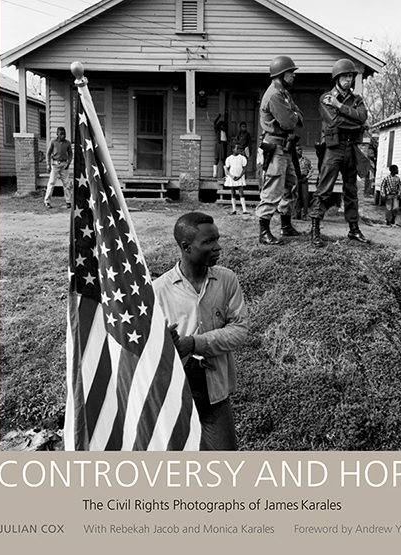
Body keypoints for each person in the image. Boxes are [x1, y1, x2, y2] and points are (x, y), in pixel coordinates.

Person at [153, 212, 248, 451]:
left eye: (217, 239)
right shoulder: (159, 291)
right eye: (208, 242)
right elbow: (147, 347)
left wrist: (193, 343)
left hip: (215, 392)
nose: (218, 247)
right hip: (175, 392)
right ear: (186, 247)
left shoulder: (227, 280)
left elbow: (239, 330)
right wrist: (166, 343)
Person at [309, 59, 370, 247]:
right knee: (324, 189)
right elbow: (336, 122)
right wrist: (356, 123)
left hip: (351, 149)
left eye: (351, 76)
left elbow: (362, 117)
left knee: (351, 190)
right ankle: (315, 229)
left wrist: (340, 106)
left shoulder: (357, 99)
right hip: (333, 149)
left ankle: (353, 229)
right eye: (344, 76)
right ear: (337, 77)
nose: (348, 79)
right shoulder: (326, 98)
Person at [256, 55, 304, 245]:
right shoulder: (275, 95)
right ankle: (264, 231)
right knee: (273, 188)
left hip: (286, 147)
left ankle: (286, 226)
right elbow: (290, 121)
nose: (293, 76)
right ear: (280, 74)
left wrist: (293, 114)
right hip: (276, 147)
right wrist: (293, 115)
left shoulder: (283, 93)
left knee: (291, 184)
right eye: (290, 73)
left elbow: (299, 115)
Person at [44, 126, 73, 209]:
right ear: (57, 134)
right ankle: (47, 201)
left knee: (66, 183)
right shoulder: (53, 142)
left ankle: (68, 201)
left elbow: (70, 154)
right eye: (61, 134)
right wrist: (48, 164)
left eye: (64, 134)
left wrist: (69, 162)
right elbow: (48, 153)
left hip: (64, 165)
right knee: (51, 182)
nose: (63, 136)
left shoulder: (67, 143)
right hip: (55, 164)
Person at [224, 143, 249, 215]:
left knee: (241, 192)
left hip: (239, 177)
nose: (238, 150)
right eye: (237, 149)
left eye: (239, 149)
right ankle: (234, 209)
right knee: (233, 192)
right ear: (233, 150)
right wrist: (231, 176)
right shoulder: (229, 158)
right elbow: (227, 169)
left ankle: (244, 210)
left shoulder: (242, 158)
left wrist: (240, 176)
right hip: (232, 177)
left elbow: (244, 168)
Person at [294, 145, 313, 220]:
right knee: (297, 196)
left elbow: (311, 169)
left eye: (300, 149)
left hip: (304, 178)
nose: (300, 151)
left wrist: (307, 177)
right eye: (298, 150)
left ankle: (304, 214)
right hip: (296, 178)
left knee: (305, 197)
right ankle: (297, 214)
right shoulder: (293, 161)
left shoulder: (306, 160)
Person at [213, 114, 228, 178]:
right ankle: (214, 173)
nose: (223, 126)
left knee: (224, 160)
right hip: (219, 145)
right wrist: (218, 117)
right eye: (222, 125)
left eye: (224, 126)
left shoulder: (225, 132)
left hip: (223, 145)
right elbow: (215, 123)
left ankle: (226, 174)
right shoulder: (217, 131)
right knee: (217, 159)